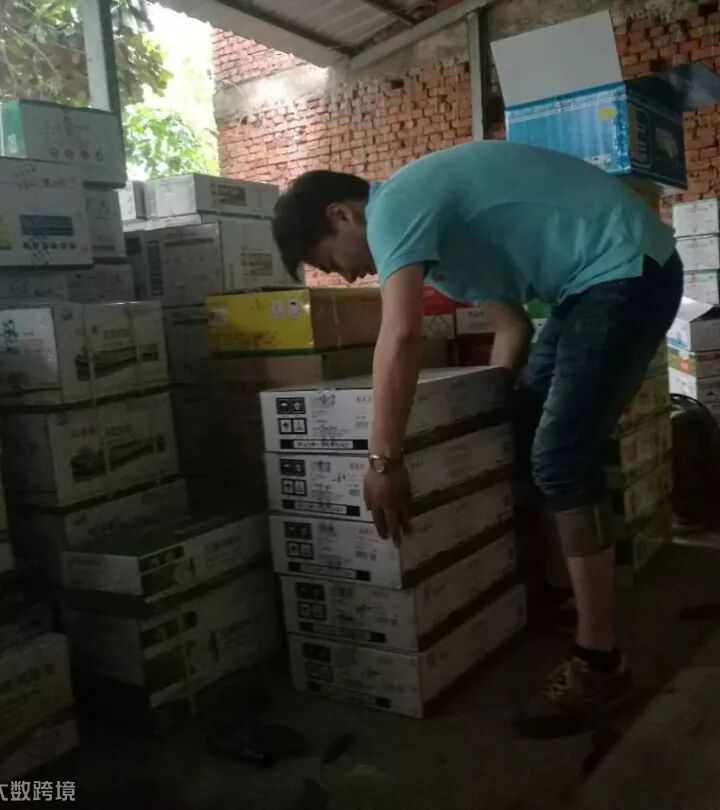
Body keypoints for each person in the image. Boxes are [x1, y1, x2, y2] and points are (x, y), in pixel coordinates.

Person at [272, 140, 683, 738]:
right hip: (594, 282)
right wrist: (482, 418)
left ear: (343, 216)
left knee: (561, 457)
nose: (349, 275)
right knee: (530, 429)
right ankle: (556, 592)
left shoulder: (394, 206)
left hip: (623, 270)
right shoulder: (441, 246)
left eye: (331, 260)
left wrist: (384, 460)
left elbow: (401, 335)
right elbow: (512, 328)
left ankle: (600, 663)